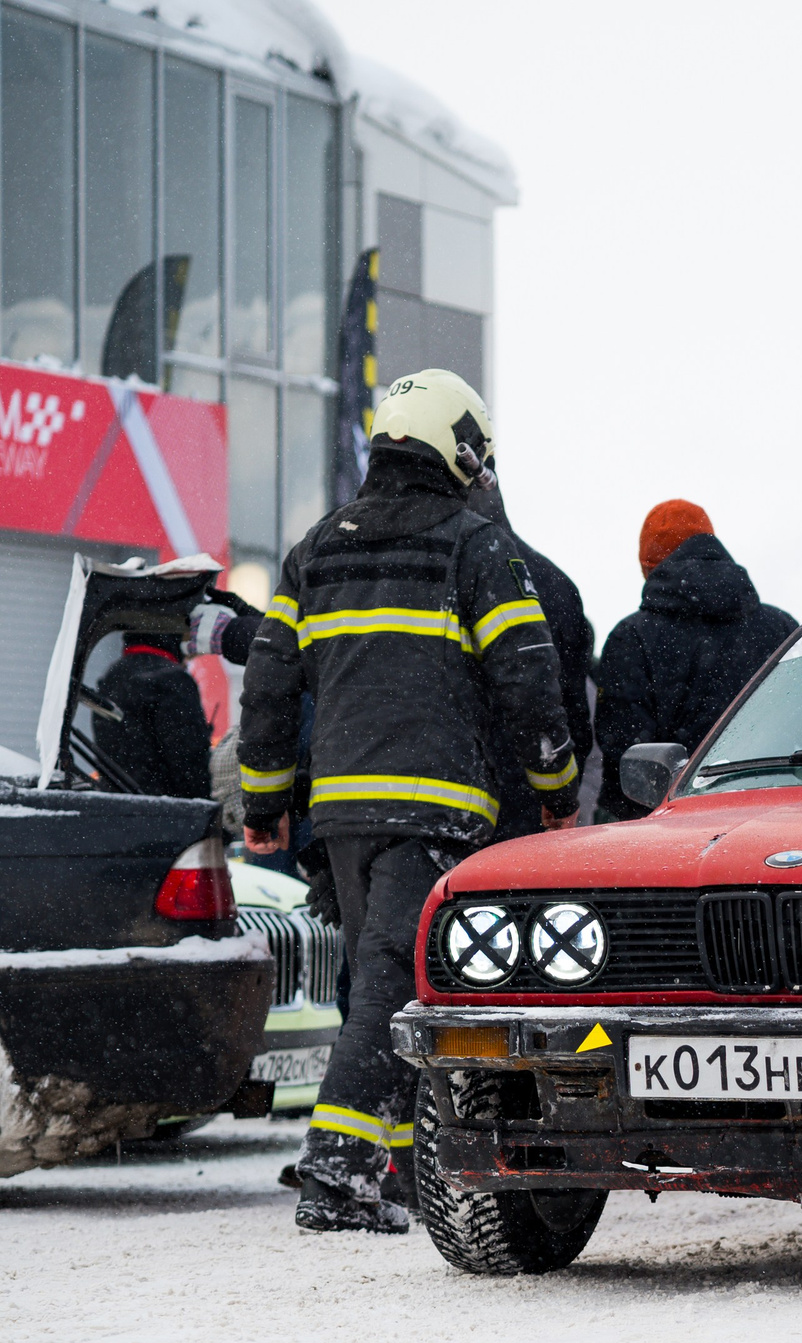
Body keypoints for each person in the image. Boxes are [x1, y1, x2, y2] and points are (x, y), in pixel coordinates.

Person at [237, 368, 579, 1235]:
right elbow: (527, 674)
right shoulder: (474, 545)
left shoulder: (316, 548)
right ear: (458, 448)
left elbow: (270, 681)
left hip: (342, 813)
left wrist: (266, 798)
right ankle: (338, 1172)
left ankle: (394, 1170)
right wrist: (556, 788)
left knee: (384, 984)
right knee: (394, 989)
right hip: (436, 810)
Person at [591, 500, 796, 821]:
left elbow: (625, 754)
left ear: (650, 567)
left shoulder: (632, 637)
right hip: (773, 819)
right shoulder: (781, 627)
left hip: (663, 830)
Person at [468, 481, 594, 839]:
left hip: (454, 794)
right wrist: (562, 795)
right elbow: (572, 711)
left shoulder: (441, 575)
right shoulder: (555, 584)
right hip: (533, 799)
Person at [94, 630, 213, 799]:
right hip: (166, 813)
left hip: (115, 809)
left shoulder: (112, 677)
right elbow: (189, 764)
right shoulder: (173, 679)